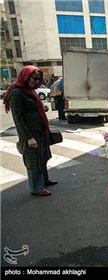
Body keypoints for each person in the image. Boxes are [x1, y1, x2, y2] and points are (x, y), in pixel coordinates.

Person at [3, 65, 57, 196]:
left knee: (42, 157)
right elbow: (18, 119)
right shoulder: (16, 92)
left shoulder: (29, 90)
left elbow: (32, 107)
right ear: (26, 77)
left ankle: (44, 180)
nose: (37, 82)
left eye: (39, 79)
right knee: (33, 161)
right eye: (35, 78)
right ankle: (36, 188)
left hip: (40, 131)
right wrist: (28, 138)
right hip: (30, 134)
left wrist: (41, 107)